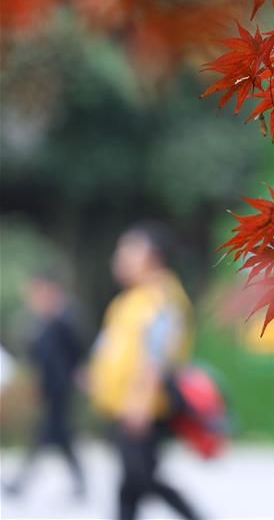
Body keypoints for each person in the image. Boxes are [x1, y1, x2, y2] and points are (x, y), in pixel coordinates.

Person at [88, 223, 201, 520]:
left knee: (141, 479)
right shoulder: (128, 300)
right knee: (131, 482)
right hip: (123, 406)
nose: (118, 258)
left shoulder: (162, 298)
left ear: (151, 255)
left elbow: (157, 357)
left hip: (144, 409)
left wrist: (139, 403)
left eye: (126, 250)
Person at [3, 270, 86, 498]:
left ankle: (20, 483)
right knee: (60, 438)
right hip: (49, 387)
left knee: (45, 435)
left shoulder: (65, 315)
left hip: (63, 388)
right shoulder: (41, 319)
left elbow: (77, 349)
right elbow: (37, 354)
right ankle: (79, 481)